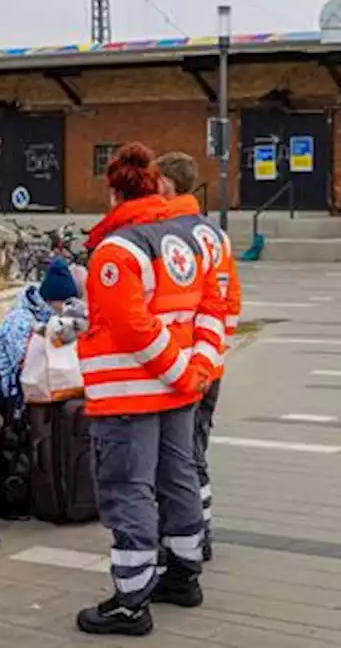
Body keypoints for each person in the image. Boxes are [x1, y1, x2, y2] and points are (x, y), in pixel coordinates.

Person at [76, 142, 226, 636]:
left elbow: (132, 327)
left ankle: (131, 602)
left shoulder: (118, 249)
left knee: (128, 491)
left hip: (129, 395)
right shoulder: (182, 241)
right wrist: (198, 367)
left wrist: (179, 371)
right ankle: (183, 575)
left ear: (116, 190)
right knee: (177, 478)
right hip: (178, 392)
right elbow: (212, 308)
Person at [156, 151, 243, 563]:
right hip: (212, 362)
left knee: (179, 458)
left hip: (181, 367)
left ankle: (190, 535)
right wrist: (216, 352)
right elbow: (231, 302)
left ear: (166, 185)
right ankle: (201, 528)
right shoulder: (216, 235)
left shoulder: (168, 236)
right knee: (196, 451)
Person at [0, 258, 82, 404]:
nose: (67, 308)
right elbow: (26, 363)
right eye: (65, 302)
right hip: (12, 392)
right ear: (53, 299)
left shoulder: (49, 316)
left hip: (36, 384)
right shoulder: (19, 321)